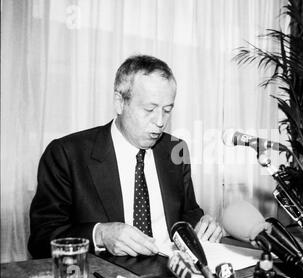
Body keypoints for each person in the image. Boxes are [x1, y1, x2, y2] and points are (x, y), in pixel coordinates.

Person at [28, 55, 223, 259]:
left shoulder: (176, 149)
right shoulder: (67, 154)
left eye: (167, 110)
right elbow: (42, 240)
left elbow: (189, 212)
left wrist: (203, 225)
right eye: (149, 109)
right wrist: (100, 234)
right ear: (120, 102)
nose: (160, 121)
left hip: (173, 273)